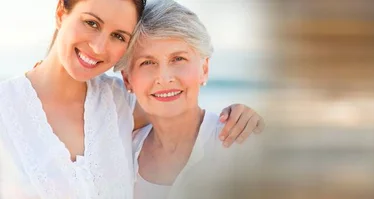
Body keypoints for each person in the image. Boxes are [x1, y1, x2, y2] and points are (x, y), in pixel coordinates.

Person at [0, 0, 264, 198]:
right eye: (91, 23)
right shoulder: (6, 107)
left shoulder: (118, 102)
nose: (99, 47)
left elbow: (179, 105)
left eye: (118, 36)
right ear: (61, 12)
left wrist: (240, 114)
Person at [115, 1, 261, 198]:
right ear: (127, 79)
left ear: (204, 69)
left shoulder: (241, 144)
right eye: (147, 62)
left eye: (178, 59)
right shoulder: (122, 150)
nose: (165, 78)